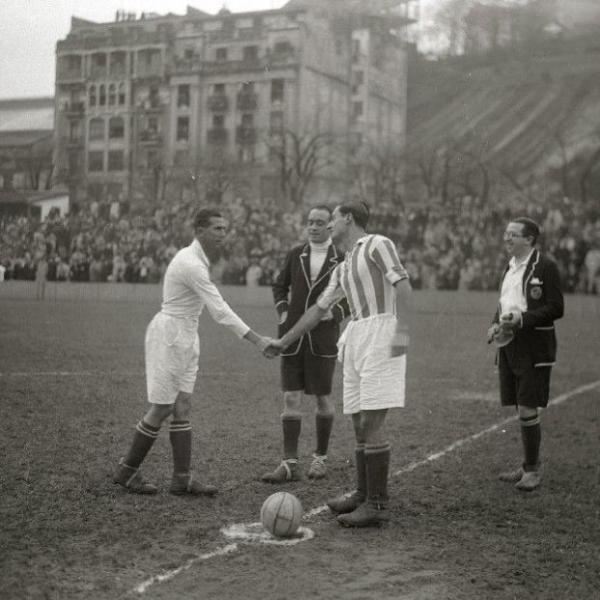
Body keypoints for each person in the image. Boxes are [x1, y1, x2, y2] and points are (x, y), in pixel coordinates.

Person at [265, 201, 411, 527]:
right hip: (356, 336)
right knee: (359, 422)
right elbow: (317, 311)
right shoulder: (343, 265)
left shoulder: (377, 243)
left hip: (381, 331)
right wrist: (284, 341)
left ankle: (376, 503)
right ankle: (362, 494)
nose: (329, 224)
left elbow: (403, 286)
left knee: (371, 423)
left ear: (347, 218)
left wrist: (401, 334)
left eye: (333, 218)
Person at [113, 208, 272, 496]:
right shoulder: (190, 264)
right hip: (170, 335)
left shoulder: (199, 260)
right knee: (162, 408)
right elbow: (219, 310)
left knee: (182, 406)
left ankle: (181, 479)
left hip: (187, 334)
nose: (223, 234)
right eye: (216, 229)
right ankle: (127, 471)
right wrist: (257, 340)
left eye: (225, 229)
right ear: (199, 231)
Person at [261, 205, 349, 483]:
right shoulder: (295, 254)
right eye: (309, 222)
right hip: (292, 336)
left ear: (330, 227)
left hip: (323, 339)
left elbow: (353, 297)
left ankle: (320, 459)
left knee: (322, 398)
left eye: (320, 222)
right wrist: (284, 311)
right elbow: (279, 286)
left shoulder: (343, 259)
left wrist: (334, 314)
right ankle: (289, 463)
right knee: (291, 396)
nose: (313, 227)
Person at [487, 217, 564, 491]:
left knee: (529, 405)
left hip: (534, 344)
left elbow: (556, 307)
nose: (507, 238)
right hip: (510, 343)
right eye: (506, 233)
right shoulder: (509, 267)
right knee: (521, 404)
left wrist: (523, 319)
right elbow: (505, 303)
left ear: (529, 239)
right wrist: (495, 324)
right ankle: (525, 466)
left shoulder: (546, 266)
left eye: (513, 235)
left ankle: (532, 471)